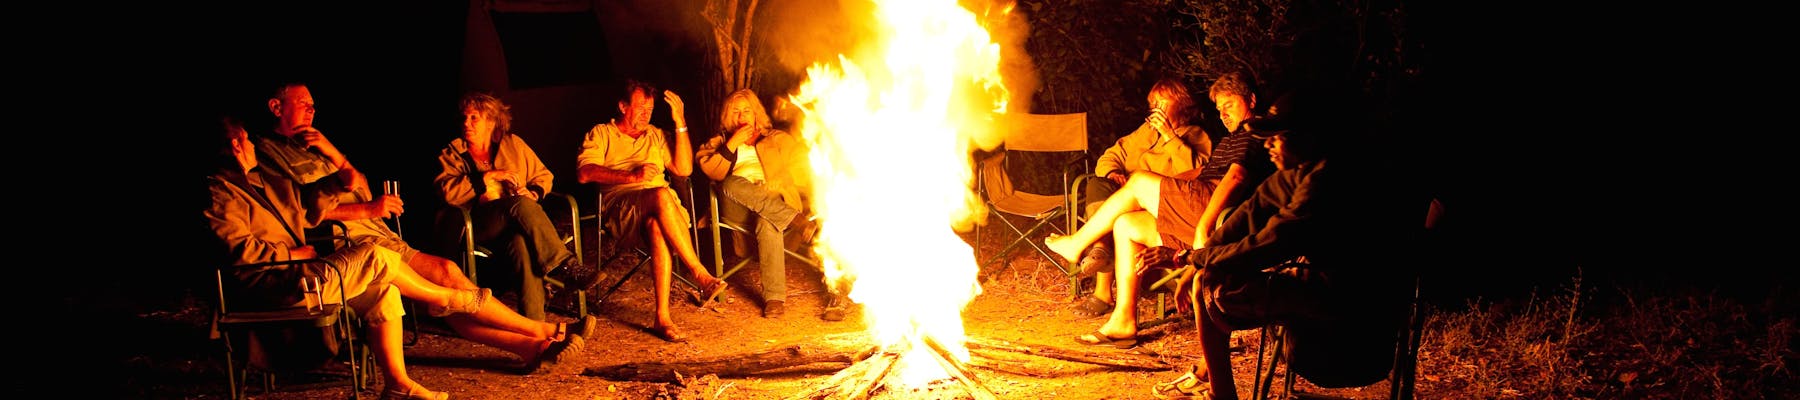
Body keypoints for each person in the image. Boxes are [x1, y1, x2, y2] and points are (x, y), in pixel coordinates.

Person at [204, 116, 584, 400]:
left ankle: (398, 384)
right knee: (386, 260)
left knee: (388, 286)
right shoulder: (223, 192)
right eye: (303, 103)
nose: (311, 110)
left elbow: (304, 207)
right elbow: (243, 252)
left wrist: (337, 167)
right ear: (238, 146)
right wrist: (294, 249)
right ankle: (479, 310)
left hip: (305, 266)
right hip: (282, 279)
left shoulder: (259, 179)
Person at [258, 83, 597, 354]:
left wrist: (332, 151)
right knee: (450, 284)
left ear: (491, 121)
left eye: (313, 104)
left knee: (491, 260)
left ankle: (534, 342)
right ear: (276, 107)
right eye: (303, 103)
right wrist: (487, 181)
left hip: (384, 234)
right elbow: (298, 216)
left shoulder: (313, 147)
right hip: (436, 230)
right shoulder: (269, 157)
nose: (312, 109)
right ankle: (550, 310)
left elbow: (357, 183)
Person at [1141, 89, 1417, 399]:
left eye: (1278, 137)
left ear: (1308, 136)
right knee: (1206, 275)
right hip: (1325, 288)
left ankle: (1223, 396)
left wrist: (1189, 258)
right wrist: (1198, 260)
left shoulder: (1327, 179)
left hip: (1354, 311)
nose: (1268, 145)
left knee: (1210, 285)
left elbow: (1270, 243)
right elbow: (1250, 214)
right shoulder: (1301, 172)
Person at [1044, 71, 1275, 347]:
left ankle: (1077, 243)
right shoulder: (1230, 138)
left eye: (1230, 105)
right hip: (1199, 205)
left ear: (1251, 99)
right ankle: (1123, 321)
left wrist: (1205, 228)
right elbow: (1199, 172)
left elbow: (1234, 179)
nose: (1223, 114)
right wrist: (1159, 186)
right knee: (1126, 225)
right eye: (1219, 108)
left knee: (1140, 180)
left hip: (1217, 216)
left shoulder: (1255, 132)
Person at [576, 80, 727, 343]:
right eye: (640, 108)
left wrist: (679, 121)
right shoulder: (601, 134)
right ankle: (699, 274)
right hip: (622, 210)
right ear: (623, 107)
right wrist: (631, 176)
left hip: (665, 213)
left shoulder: (656, 135)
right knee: (660, 193)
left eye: (650, 108)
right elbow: (584, 173)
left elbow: (683, 169)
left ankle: (662, 317)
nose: (646, 114)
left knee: (658, 223)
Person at [434, 91, 592, 321]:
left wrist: (534, 192)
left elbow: (544, 175)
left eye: (474, 118)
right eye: (464, 118)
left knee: (521, 244)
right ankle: (564, 265)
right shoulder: (452, 154)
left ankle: (534, 326)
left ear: (490, 121)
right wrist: (486, 178)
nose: (466, 123)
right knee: (518, 204)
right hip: (476, 225)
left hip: (515, 225)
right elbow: (447, 193)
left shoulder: (513, 145)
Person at [1068, 77, 1209, 317]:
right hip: (1127, 199)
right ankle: (1101, 249)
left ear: (1182, 106)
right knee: (1098, 184)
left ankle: (1102, 291)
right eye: (1153, 103)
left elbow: (1194, 175)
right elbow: (1110, 155)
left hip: (1159, 206)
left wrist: (1169, 136)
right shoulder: (1145, 132)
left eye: (1163, 104)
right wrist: (1113, 172)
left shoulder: (1196, 135)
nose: (1157, 110)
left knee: (1119, 213)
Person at [696, 89, 816, 319]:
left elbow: (802, 168)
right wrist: (732, 143)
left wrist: (778, 182)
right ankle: (794, 219)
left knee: (767, 220)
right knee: (731, 183)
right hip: (737, 207)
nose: (742, 117)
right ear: (728, 116)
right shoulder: (720, 142)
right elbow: (710, 170)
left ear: (756, 113)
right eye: (736, 112)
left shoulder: (777, 139)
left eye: (747, 111)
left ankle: (774, 298)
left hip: (773, 201)